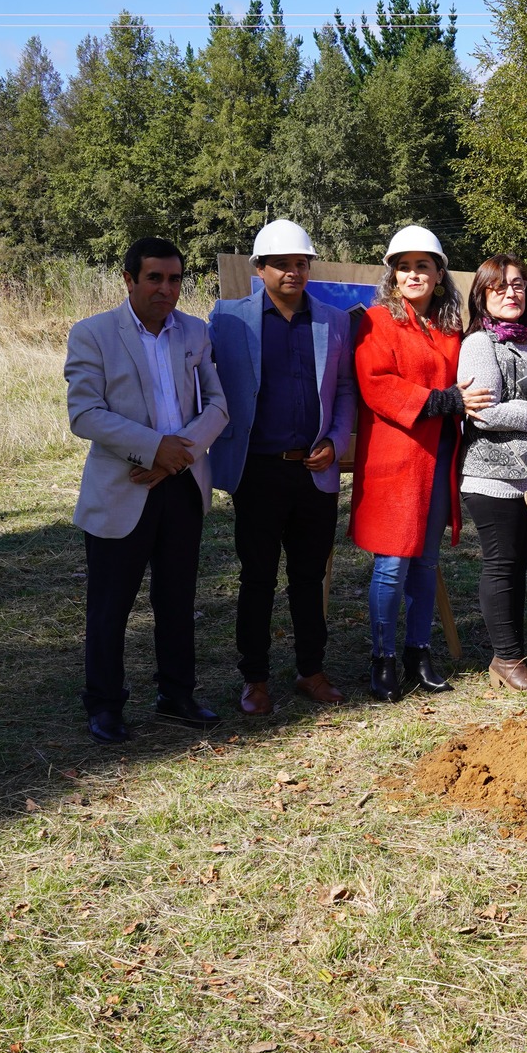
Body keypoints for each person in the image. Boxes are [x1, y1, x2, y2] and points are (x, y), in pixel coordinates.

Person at [65, 236, 229, 742]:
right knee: (110, 603)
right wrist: (155, 448)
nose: (166, 289)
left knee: (177, 598)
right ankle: (105, 705)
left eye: (175, 278)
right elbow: (85, 414)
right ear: (129, 280)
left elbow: (218, 406)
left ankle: (177, 694)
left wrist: (178, 455)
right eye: (154, 278)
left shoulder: (196, 332)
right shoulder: (93, 334)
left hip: (180, 484)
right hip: (123, 486)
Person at [208, 220, 357, 715]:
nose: (294, 272)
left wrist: (336, 442)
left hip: (314, 472)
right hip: (257, 471)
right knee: (257, 577)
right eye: (283, 264)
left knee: (309, 576)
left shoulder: (333, 321)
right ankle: (254, 679)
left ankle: (311, 671)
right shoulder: (227, 319)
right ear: (260, 268)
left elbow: (343, 392)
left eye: (301, 263)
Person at [349, 226, 494, 701]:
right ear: (393, 274)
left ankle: (419, 652)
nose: (413, 274)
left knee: (426, 562)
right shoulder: (376, 321)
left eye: (423, 266)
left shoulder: (452, 329)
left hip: (438, 458)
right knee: (391, 564)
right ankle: (383, 658)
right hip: (395, 459)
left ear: (439, 273)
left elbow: (470, 383)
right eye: (404, 266)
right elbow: (375, 383)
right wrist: (440, 401)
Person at [457, 254, 527, 692]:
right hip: (493, 476)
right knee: (502, 565)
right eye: (498, 287)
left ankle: (512, 649)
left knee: (518, 565)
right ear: (482, 295)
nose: (510, 293)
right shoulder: (480, 343)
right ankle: (506, 659)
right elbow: (484, 412)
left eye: (517, 285)